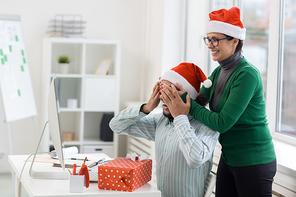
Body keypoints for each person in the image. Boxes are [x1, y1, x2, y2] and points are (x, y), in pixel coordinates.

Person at [160, 7, 277, 197]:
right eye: (208, 39)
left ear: (234, 41)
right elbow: (198, 99)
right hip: (229, 157)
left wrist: (185, 104)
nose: (210, 45)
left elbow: (222, 122)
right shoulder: (218, 71)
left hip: (254, 160)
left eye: (216, 39)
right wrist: (170, 91)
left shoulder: (247, 74)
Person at [109, 62, 219, 197]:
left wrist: (180, 117)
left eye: (171, 92)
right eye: (162, 91)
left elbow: (195, 159)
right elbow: (115, 125)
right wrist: (147, 108)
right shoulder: (161, 121)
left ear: (188, 96)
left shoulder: (206, 126)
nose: (163, 97)